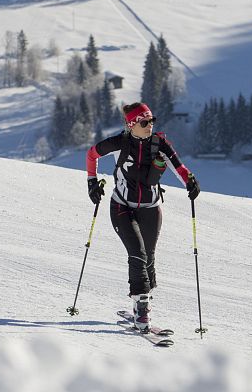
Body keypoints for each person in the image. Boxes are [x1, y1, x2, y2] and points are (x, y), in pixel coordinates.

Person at [85, 102, 200, 331]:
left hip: (151, 208)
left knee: (148, 260)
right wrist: (91, 183)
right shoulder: (119, 142)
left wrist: (190, 181)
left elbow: (179, 167)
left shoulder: (160, 143)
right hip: (121, 207)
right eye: (144, 122)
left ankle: (143, 299)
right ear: (131, 125)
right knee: (137, 254)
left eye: (151, 121)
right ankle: (142, 310)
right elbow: (91, 154)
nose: (149, 126)